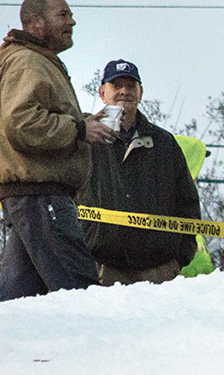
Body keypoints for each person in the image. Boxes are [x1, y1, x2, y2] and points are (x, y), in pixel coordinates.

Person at [0, 0, 115, 301]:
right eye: (63, 15)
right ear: (36, 24)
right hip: (41, 195)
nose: (72, 21)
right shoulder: (29, 63)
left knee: (19, 299)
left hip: (31, 195)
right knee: (79, 291)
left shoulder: (34, 61)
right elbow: (21, 123)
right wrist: (78, 128)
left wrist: (86, 123)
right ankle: (93, 349)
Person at [78, 59, 201, 285]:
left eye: (131, 85)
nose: (125, 91)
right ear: (102, 92)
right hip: (99, 269)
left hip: (158, 272)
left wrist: (178, 258)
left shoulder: (164, 143)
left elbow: (188, 203)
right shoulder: (84, 140)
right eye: (117, 85)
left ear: (140, 92)